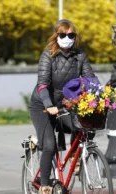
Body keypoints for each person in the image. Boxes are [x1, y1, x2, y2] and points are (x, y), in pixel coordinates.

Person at [28, 19, 96, 194]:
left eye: (71, 35)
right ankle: (44, 185)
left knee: (84, 124)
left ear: (75, 37)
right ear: (56, 35)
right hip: (42, 105)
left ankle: (76, 156)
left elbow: (91, 79)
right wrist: (49, 105)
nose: (67, 38)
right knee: (50, 146)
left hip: (65, 104)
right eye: (63, 34)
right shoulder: (48, 55)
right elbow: (42, 84)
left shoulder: (80, 55)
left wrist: (101, 98)